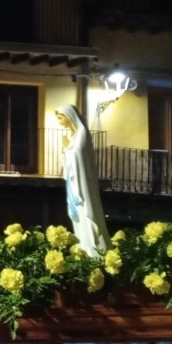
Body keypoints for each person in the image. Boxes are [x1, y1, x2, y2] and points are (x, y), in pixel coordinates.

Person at [55, 104, 109, 256]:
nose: (59, 121)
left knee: (86, 214)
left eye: (60, 118)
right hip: (73, 183)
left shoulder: (82, 133)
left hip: (82, 186)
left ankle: (93, 252)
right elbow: (70, 158)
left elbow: (78, 155)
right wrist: (66, 150)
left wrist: (66, 148)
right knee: (78, 217)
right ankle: (84, 249)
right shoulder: (74, 135)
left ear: (69, 116)